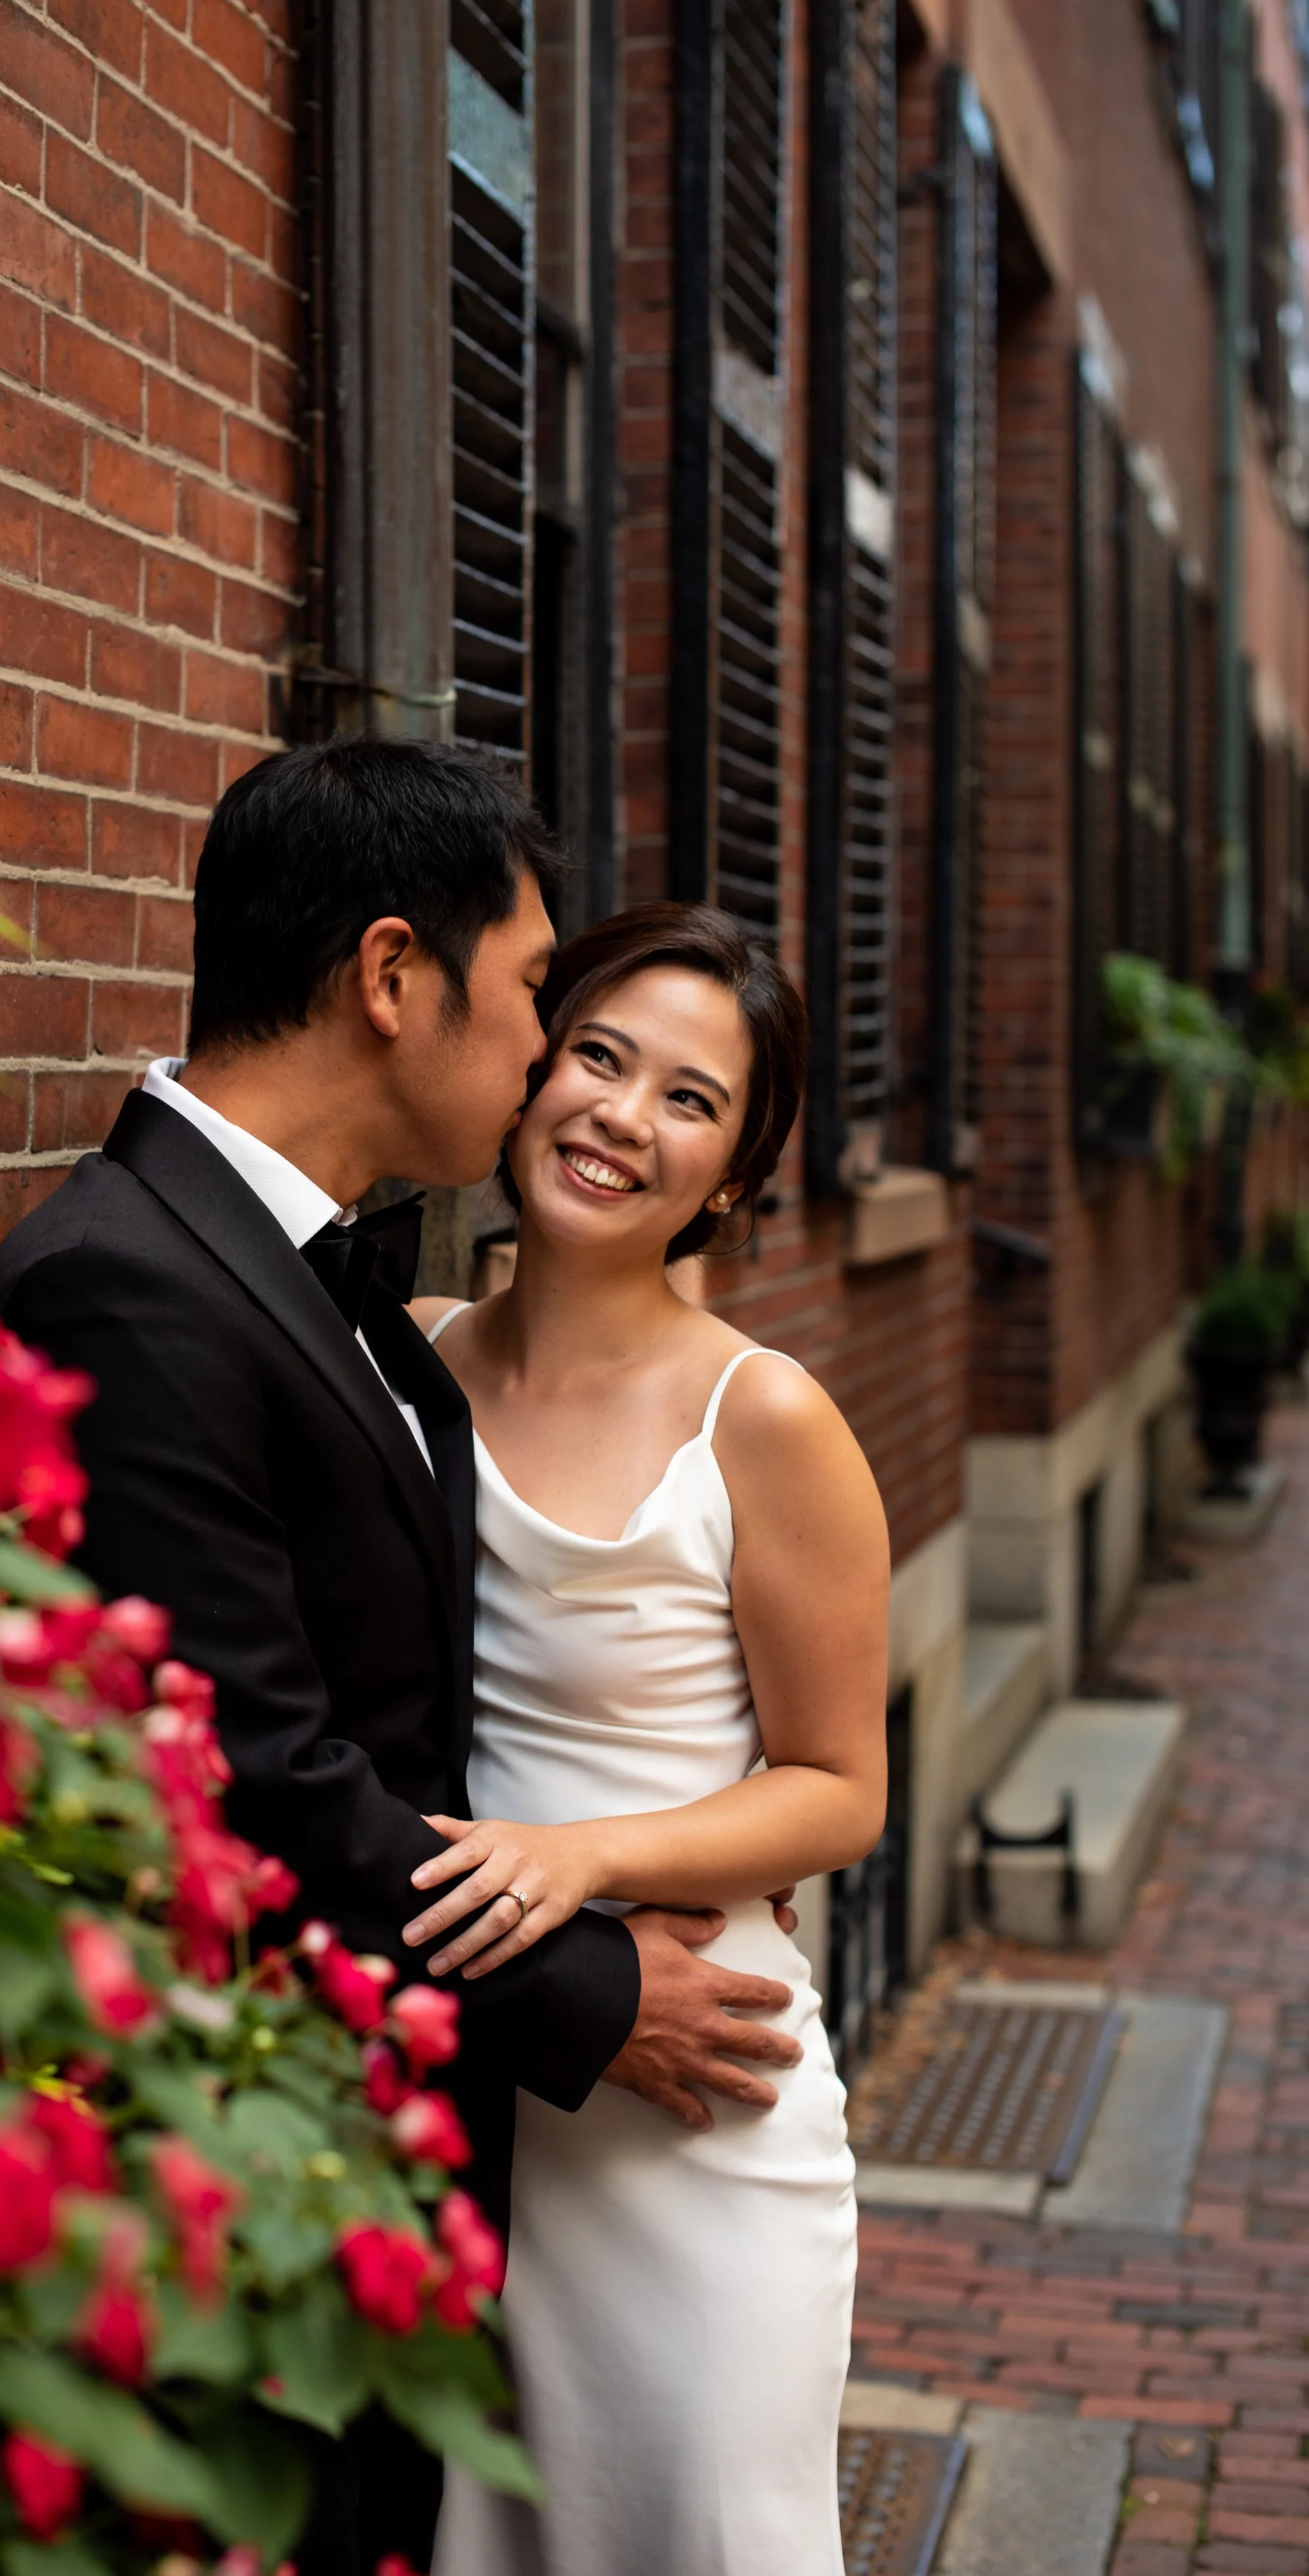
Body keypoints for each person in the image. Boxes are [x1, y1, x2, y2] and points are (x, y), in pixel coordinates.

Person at [0, 744, 806, 2576]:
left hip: (435, 2128)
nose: (538, 1053)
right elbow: (258, 1781)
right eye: (529, 995)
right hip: (270, 2162)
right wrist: (600, 1996)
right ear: (388, 978)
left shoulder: (306, 1275)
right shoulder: (131, 1282)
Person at [415, 901, 890, 2576]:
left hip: (698, 2122)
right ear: (530, 1065)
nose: (620, 1117)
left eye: (688, 1100)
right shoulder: (402, 1372)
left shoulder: (759, 1416)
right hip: (477, 2100)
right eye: (598, 1057)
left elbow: (839, 1789)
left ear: (735, 1178)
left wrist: (581, 1860)